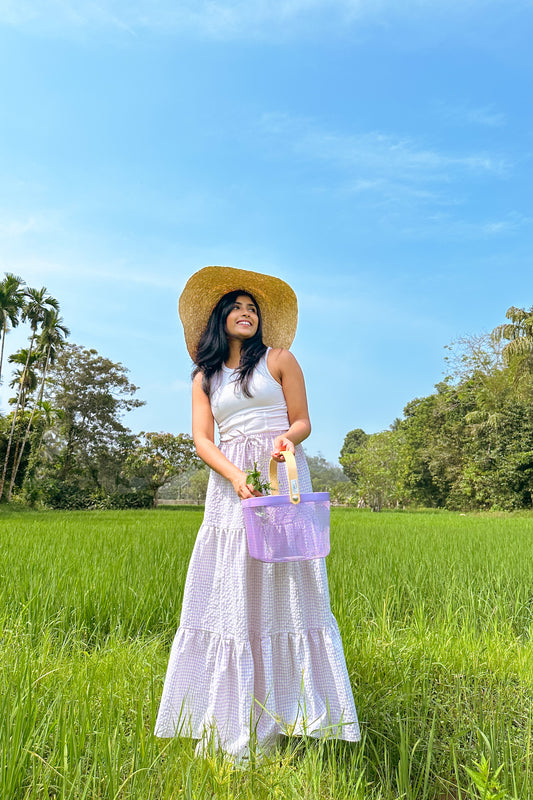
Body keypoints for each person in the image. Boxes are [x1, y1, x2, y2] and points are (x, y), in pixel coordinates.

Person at [154, 266, 360, 759]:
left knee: (286, 585)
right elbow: (203, 439)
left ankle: (291, 715)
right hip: (230, 483)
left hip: (280, 472)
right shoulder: (204, 377)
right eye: (237, 307)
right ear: (220, 318)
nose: (246, 313)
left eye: (253, 309)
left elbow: (303, 419)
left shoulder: (280, 359)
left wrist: (287, 440)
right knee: (231, 587)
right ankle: (232, 721)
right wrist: (233, 474)